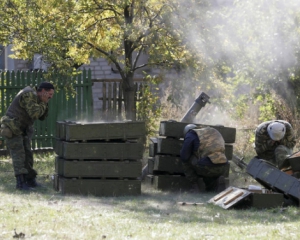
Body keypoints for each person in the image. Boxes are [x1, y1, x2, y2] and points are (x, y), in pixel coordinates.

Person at [0, 82, 55, 190]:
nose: (50, 97)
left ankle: (30, 181)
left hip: (22, 129)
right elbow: (34, 114)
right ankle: (20, 184)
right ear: (43, 91)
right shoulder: (29, 94)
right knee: (19, 155)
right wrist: (43, 103)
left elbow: (42, 117)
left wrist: (44, 103)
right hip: (12, 127)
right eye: (49, 94)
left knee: (28, 155)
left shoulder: (38, 98)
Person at [180, 124, 229, 193]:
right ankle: (217, 181)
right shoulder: (210, 132)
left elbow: (184, 156)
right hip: (223, 167)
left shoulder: (191, 134)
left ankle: (194, 187)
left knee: (187, 160)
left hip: (206, 168)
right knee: (208, 161)